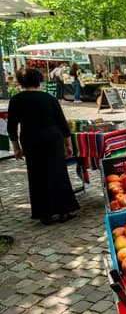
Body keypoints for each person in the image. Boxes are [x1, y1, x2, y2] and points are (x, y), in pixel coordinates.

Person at [7, 68, 80, 225]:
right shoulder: (48, 98)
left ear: (20, 82)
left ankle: (44, 213)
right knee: (58, 172)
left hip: (31, 139)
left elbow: (11, 127)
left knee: (36, 174)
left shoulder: (16, 100)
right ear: (38, 81)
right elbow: (62, 123)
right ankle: (64, 211)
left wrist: (16, 147)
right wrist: (68, 144)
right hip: (52, 138)